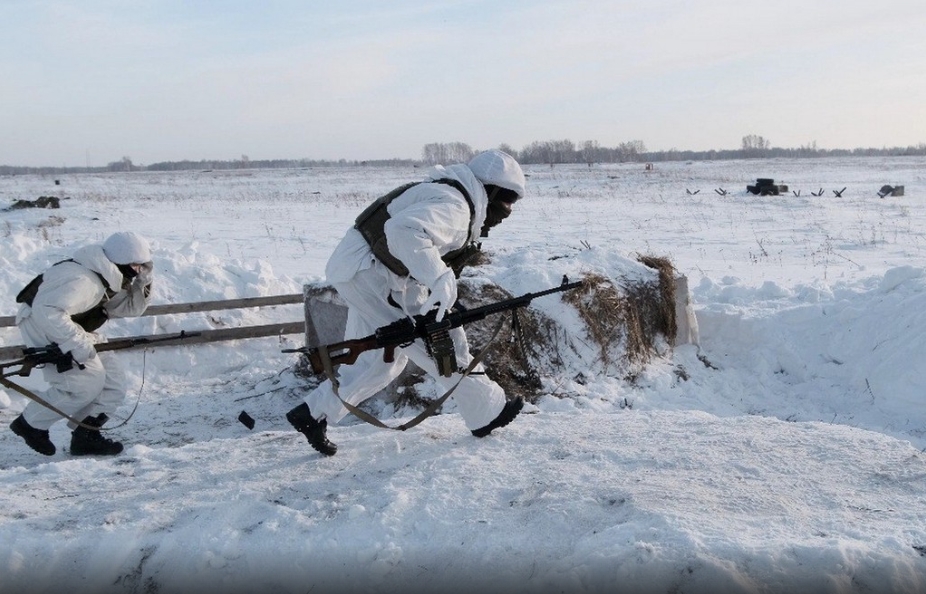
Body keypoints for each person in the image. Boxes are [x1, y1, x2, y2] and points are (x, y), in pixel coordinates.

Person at [287, 149, 527, 456]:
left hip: (362, 271)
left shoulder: (450, 194)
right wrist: (440, 279)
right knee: (441, 344)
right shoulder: (456, 207)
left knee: (382, 361)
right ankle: (486, 411)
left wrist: (436, 288)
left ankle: (312, 413)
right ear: (489, 191)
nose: (507, 211)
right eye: (507, 201)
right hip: (372, 274)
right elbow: (403, 231)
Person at [8, 231, 154, 456]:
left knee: (113, 381)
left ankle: (86, 435)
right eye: (136, 266)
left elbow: (130, 308)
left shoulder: (105, 277)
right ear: (121, 261)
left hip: (68, 325)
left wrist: (144, 282)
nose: (138, 271)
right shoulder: (84, 280)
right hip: (42, 324)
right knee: (84, 382)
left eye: (141, 266)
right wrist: (76, 344)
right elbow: (46, 309)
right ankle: (30, 424)